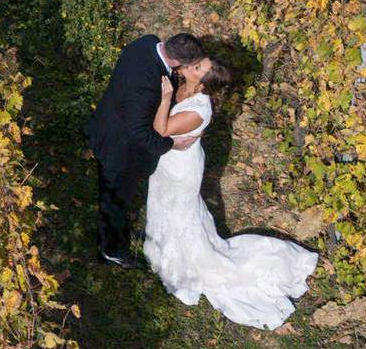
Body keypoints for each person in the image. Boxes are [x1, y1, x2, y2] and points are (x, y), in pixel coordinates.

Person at [143, 57, 318, 330]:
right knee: (162, 205)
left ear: (202, 82)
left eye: (197, 67)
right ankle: (160, 247)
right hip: (168, 161)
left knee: (180, 215)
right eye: (196, 63)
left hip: (181, 170)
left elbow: (161, 130)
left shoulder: (200, 109)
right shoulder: (183, 85)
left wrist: (165, 99)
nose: (191, 65)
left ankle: (185, 265)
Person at [85, 30, 205, 266]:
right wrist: (172, 144)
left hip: (111, 119)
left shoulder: (148, 42)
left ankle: (119, 236)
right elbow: (140, 133)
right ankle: (111, 251)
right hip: (120, 147)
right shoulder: (145, 85)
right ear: (177, 62)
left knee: (119, 197)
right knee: (115, 199)